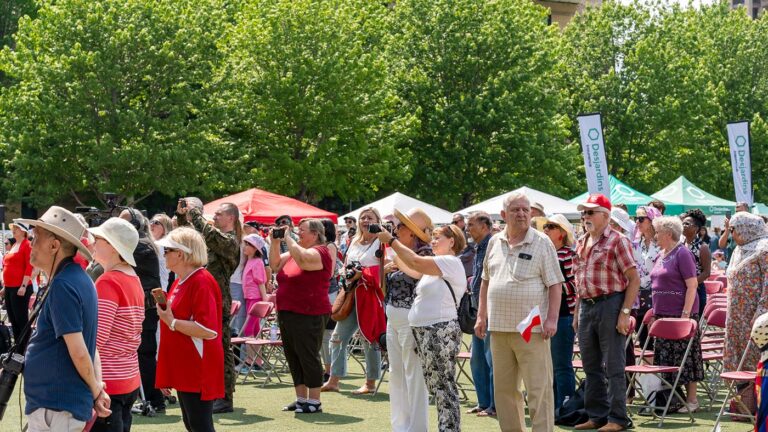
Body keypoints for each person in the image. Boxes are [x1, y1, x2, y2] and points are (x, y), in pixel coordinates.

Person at [474, 193, 563, 432]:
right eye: (515, 210)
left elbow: (555, 284)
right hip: (499, 329)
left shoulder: (542, 242)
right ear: (503, 215)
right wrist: (482, 315)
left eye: (525, 209)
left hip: (531, 329)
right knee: (504, 392)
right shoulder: (494, 242)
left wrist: (552, 319)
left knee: (538, 390)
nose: (522, 214)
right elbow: (485, 281)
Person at [18, 207, 111, 430]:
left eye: (36, 237)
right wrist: (96, 387)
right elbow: (91, 347)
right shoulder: (78, 279)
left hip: (56, 407)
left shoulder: (64, 284)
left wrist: (97, 391)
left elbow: (80, 350)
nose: (31, 243)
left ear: (54, 245)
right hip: (57, 405)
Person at [376, 223, 467, 432]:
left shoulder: (450, 262)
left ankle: (450, 429)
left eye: (438, 238)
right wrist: (389, 246)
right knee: (438, 386)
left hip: (439, 330)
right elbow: (412, 266)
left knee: (443, 386)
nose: (432, 241)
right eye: (432, 237)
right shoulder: (436, 265)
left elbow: (415, 261)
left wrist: (391, 240)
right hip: (427, 331)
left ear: (452, 242)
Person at [572, 194, 640, 432]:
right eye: (584, 212)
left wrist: (624, 312)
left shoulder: (618, 240)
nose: (585, 216)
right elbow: (580, 282)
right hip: (587, 307)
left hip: (611, 304)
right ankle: (597, 416)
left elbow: (634, 279)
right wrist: (577, 312)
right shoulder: (581, 241)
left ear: (606, 215)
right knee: (590, 366)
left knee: (613, 365)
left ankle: (618, 419)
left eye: (591, 212)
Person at [155, 227, 224, 432]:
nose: (164, 253)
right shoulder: (180, 280)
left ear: (181, 254)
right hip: (185, 364)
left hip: (197, 366)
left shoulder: (201, 281)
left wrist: (172, 322)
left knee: (200, 426)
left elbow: (208, 330)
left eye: (167, 249)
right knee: (192, 424)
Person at [176, 198, 240, 413]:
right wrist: (183, 217)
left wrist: (195, 214)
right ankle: (210, 392)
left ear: (231, 218)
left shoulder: (231, 241)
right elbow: (189, 242)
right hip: (201, 299)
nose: (215, 216)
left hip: (218, 302)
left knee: (221, 349)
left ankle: (224, 397)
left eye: (220, 214)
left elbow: (211, 237)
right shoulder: (213, 236)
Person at [269, 219, 333, 414]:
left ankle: (314, 401)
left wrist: (288, 238)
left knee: (308, 355)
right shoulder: (294, 251)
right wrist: (275, 242)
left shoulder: (321, 252)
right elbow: (275, 264)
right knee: (293, 355)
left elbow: (304, 260)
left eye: (302, 230)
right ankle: (301, 398)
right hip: (288, 311)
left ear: (315, 234)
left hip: (309, 312)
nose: (298, 233)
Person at [89, 218, 144, 432]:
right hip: (129, 377)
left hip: (109, 380)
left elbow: (97, 339)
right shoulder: (133, 278)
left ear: (113, 246)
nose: (93, 243)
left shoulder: (108, 281)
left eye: (99, 239)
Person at [323, 207, 385, 395]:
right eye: (363, 217)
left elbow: (389, 267)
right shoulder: (354, 241)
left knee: (369, 338)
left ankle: (370, 383)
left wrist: (363, 273)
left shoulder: (382, 242)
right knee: (337, 338)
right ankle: (334, 379)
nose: (365, 220)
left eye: (370, 217)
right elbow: (347, 265)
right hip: (350, 293)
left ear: (377, 220)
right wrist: (345, 273)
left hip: (369, 295)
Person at [383, 208, 433, 431]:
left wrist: (394, 253)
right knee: (396, 373)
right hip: (393, 317)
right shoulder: (398, 253)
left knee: (414, 374)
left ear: (412, 233)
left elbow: (417, 273)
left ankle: (417, 427)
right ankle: (400, 426)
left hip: (412, 319)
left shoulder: (425, 253)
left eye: (401, 226)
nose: (396, 228)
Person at [649, 216, 704, 413]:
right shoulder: (661, 253)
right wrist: (654, 314)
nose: (655, 236)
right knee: (665, 357)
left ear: (668, 233)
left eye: (657, 232)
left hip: (681, 314)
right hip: (662, 315)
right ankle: (670, 398)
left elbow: (692, 285)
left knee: (686, 357)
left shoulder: (682, 253)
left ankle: (691, 400)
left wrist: (686, 315)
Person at [119, 207, 165, 414]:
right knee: (141, 354)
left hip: (145, 308)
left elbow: (116, 254)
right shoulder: (139, 244)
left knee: (145, 354)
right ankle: (150, 397)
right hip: (141, 307)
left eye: (125, 224)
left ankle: (155, 399)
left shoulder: (141, 245)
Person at [724, 212, 768, 377]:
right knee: (737, 356)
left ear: (745, 228)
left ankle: (757, 398)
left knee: (754, 355)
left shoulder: (764, 248)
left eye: (733, 229)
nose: (731, 233)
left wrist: (762, 312)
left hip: (755, 316)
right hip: (736, 315)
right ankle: (741, 397)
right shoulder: (738, 249)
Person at [543, 213, 577, 410]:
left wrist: (552, 287)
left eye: (551, 226)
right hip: (547, 315)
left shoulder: (568, 255)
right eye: (546, 226)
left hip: (564, 316)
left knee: (562, 364)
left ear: (562, 233)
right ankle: (553, 405)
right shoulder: (546, 254)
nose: (546, 229)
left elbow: (575, 285)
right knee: (550, 365)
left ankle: (565, 406)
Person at [466, 211, 495, 418]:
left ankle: (495, 405)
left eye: (472, 224)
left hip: (491, 312)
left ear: (485, 226)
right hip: (478, 311)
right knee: (477, 360)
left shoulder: (493, 245)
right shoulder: (478, 248)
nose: (468, 228)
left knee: (492, 360)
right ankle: (484, 402)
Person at [633, 206, 662, 347]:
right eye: (635, 218)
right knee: (643, 338)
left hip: (657, 295)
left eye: (640, 219)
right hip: (638, 296)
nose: (637, 222)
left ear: (652, 221)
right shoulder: (636, 243)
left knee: (656, 341)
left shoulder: (662, 243)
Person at [2, 222, 33, 342]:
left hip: (20, 288)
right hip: (10, 288)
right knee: (13, 319)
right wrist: (5, 288)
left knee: (21, 320)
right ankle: (17, 349)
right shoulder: (15, 245)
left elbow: (29, 267)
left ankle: (24, 347)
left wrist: (24, 286)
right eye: (13, 228)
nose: (13, 230)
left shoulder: (27, 245)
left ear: (23, 230)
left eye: (16, 228)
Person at [319, 219, 340, 383]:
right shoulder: (317, 246)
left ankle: (329, 370)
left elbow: (330, 272)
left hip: (329, 294)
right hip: (320, 293)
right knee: (321, 335)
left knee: (327, 334)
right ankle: (326, 368)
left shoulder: (330, 246)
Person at [681, 209, 711, 316]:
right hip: (679, 290)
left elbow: (706, 272)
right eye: (683, 223)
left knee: (693, 324)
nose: (683, 225)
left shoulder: (703, 247)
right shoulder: (679, 245)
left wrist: (690, 284)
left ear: (696, 228)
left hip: (696, 291)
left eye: (687, 224)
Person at [150, 213, 174, 291]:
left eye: (156, 223)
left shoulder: (162, 245)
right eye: (151, 221)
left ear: (165, 230)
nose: (152, 224)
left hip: (157, 293)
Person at [452, 213, 475, 277]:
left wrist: (460, 258)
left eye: (456, 222)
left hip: (466, 266)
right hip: (456, 264)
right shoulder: (453, 232)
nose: (454, 224)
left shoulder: (469, 231)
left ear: (462, 221)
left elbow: (473, 250)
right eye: (453, 222)